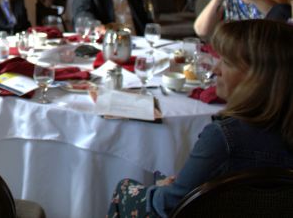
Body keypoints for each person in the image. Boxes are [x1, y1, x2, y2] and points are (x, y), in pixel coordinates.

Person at [107, 19, 293, 217]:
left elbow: (170, 204)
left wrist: (163, 189)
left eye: (227, 62)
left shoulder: (224, 138)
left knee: (125, 188)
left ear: (257, 78)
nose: (215, 70)